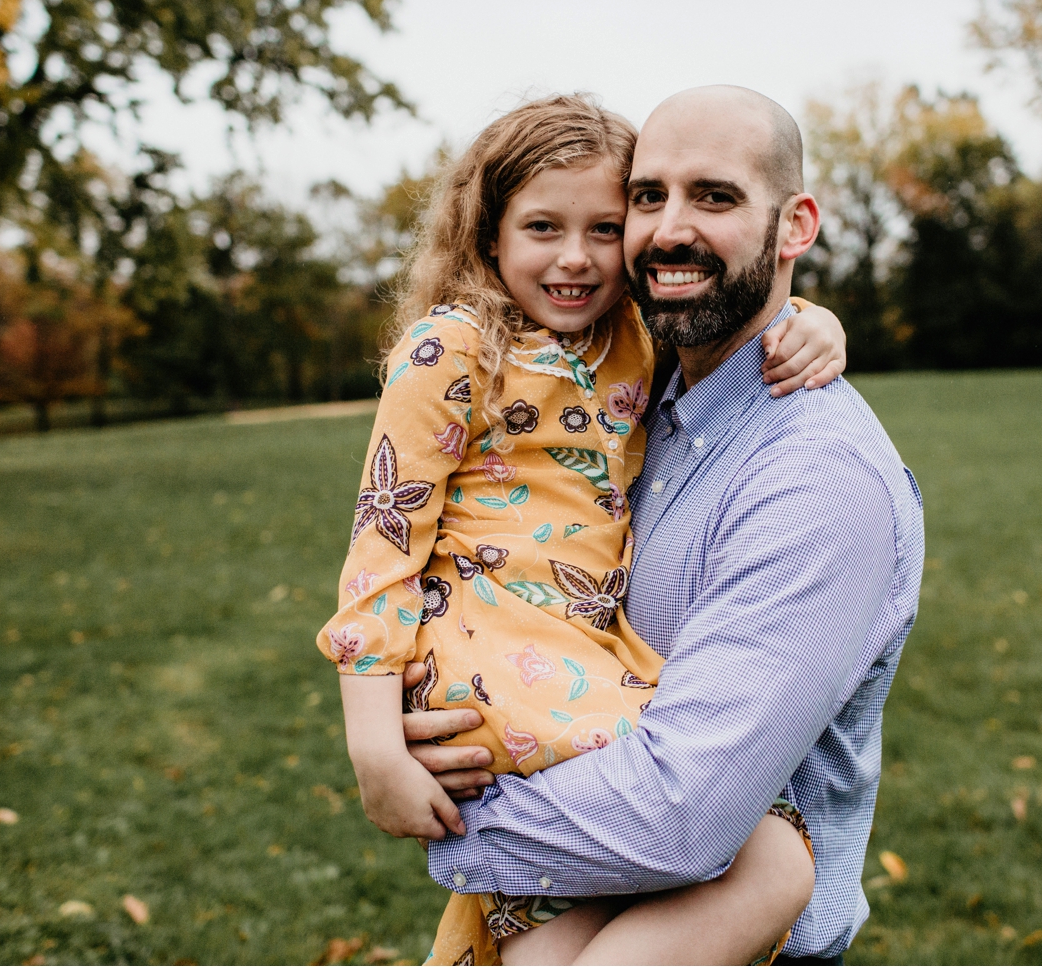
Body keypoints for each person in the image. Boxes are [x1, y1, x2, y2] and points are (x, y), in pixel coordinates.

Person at [317, 93, 850, 965]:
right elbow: (382, 548)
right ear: (489, 235)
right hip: (497, 662)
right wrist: (373, 744)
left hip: (579, 658)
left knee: (554, 938)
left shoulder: (632, 340)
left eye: (605, 228)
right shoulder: (450, 350)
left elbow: (750, 315)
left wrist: (817, 324)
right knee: (773, 858)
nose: (576, 258)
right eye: (541, 228)